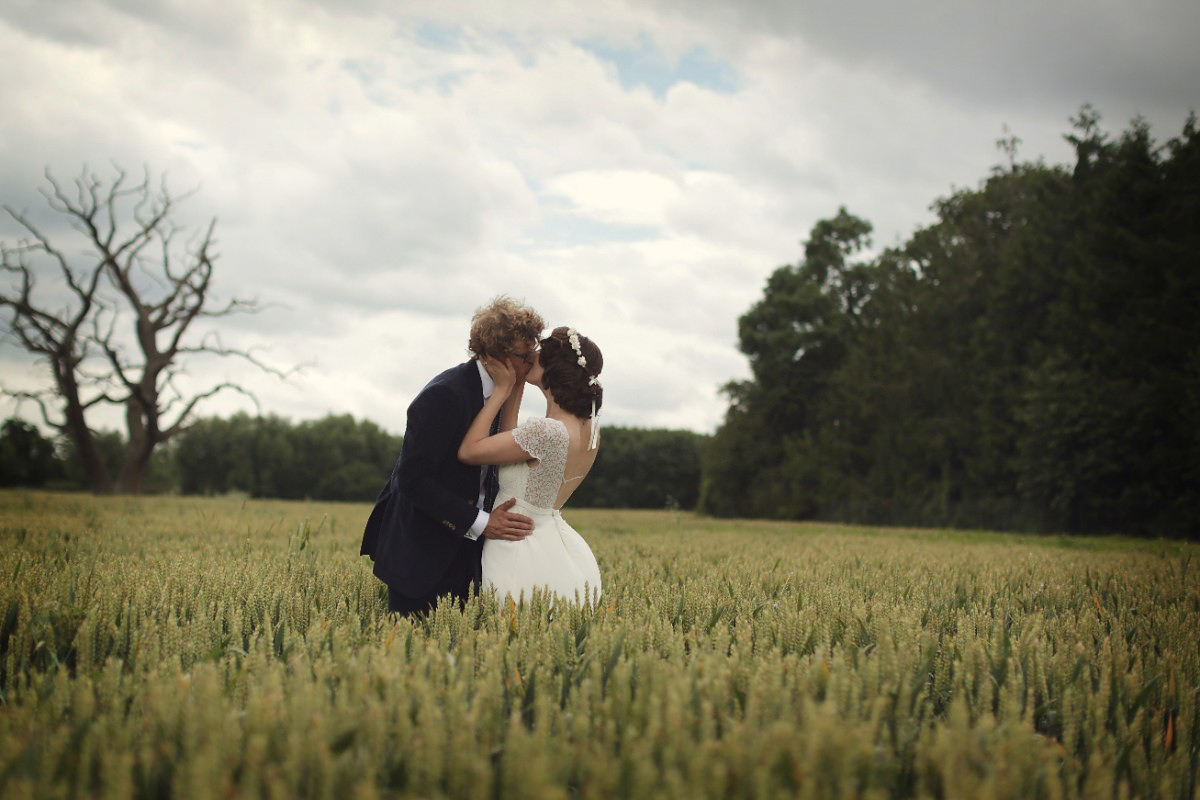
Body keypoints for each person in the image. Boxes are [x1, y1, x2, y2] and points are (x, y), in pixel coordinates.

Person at [359, 296, 543, 616]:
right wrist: (481, 523)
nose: (532, 362)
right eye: (524, 355)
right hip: (420, 555)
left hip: (470, 555)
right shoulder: (444, 395)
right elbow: (413, 480)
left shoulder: (504, 390)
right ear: (493, 355)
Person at [458, 326, 603, 603]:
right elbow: (511, 443)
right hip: (553, 544)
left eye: (538, 353)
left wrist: (501, 391)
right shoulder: (591, 430)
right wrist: (517, 385)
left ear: (552, 368)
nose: (530, 356)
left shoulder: (547, 432)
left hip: (517, 544)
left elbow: (470, 451)